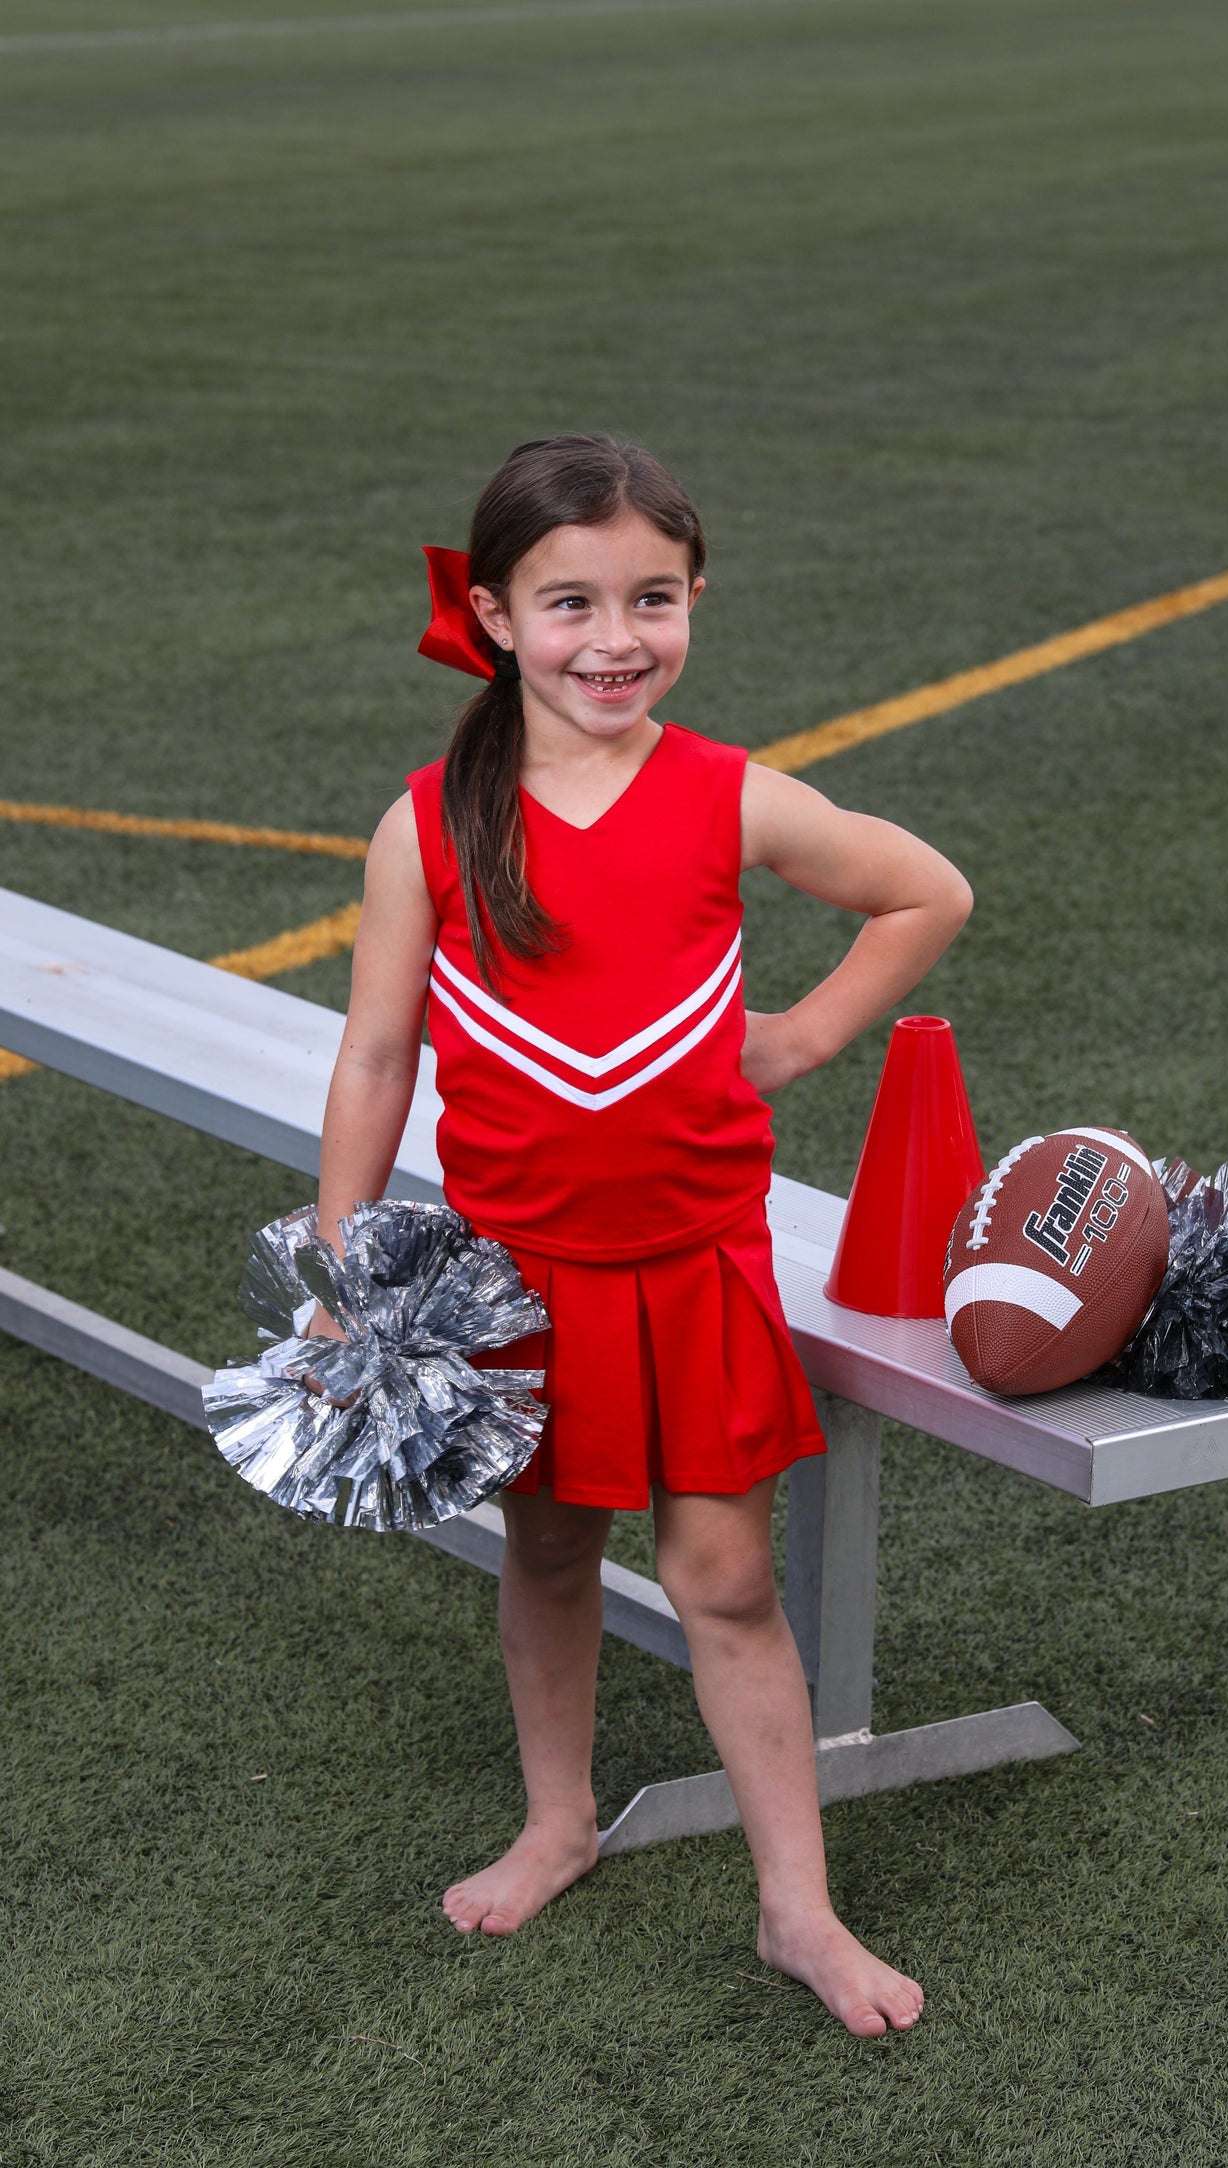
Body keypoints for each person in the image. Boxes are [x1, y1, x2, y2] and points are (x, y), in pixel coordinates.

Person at [314, 433, 972, 2038]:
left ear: (693, 602)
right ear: (491, 615)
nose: (615, 637)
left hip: (691, 1268)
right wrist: (344, 1261)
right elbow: (379, 1055)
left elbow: (926, 891)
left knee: (726, 1577)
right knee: (545, 1546)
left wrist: (800, 1038)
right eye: (570, 602)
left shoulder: (728, 793)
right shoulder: (432, 822)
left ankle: (793, 1909)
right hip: (511, 1275)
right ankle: (557, 1821)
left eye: (652, 598)